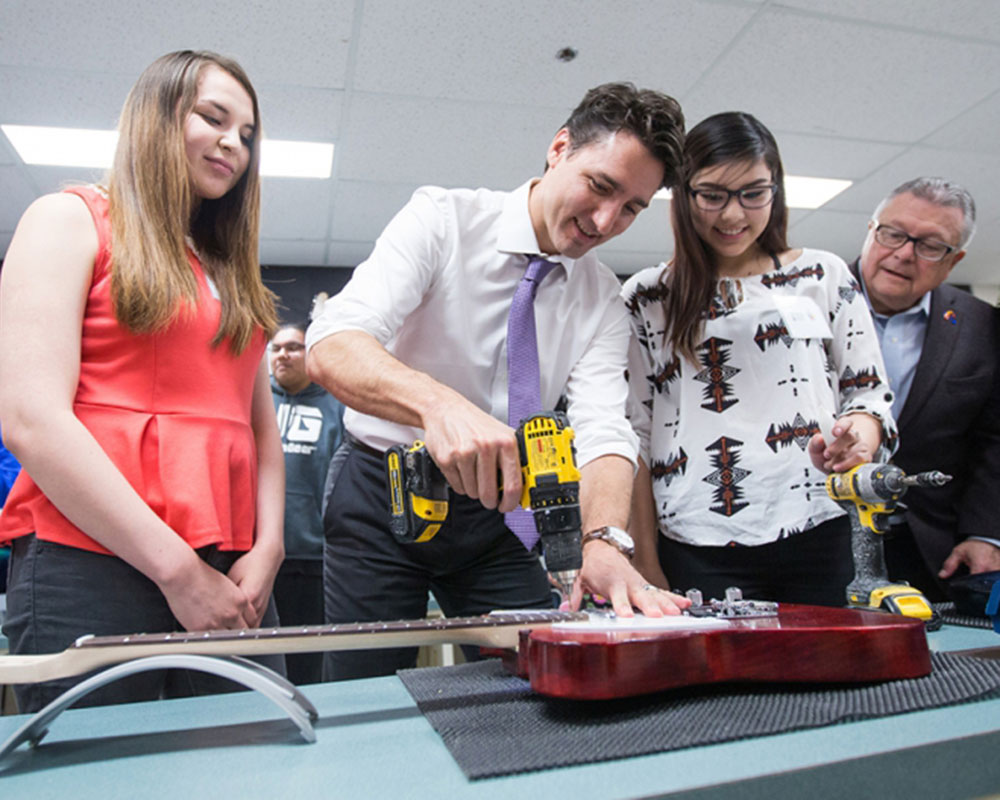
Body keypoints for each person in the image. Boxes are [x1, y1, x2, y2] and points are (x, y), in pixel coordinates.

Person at [306, 82, 689, 680]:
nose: (606, 221)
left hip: (499, 515)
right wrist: (438, 406)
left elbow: (603, 429)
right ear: (559, 148)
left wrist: (605, 539)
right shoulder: (442, 220)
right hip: (381, 497)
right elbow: (332, 344)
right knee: (365, 691)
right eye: (602, 186)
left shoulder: (601, 297)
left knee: (544, 674)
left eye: (633, 207)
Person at [0, 50, 285, 712]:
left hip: (234, 565)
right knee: (98, 775)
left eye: (247, 135)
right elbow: (31, 418)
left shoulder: (229, 273)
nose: (233, 144)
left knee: (251, 765)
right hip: (90, 557)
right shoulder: (70, 218)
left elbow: (259, 434)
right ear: (156, 117)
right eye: (213, 118)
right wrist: (178, 570)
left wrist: (269, 548)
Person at [624, 112, 896, 606]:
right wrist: (644, 560)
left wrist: (860, 433)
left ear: (776, 189)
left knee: (829, 677)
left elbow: (869, 393)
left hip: (819, 525)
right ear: (683, 195)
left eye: (753, 192)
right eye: (712, 195)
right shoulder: (648, 297)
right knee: (718, 683)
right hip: (693, 540)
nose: (732, 215)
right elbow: (634, 435)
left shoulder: (823, 275)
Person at [850, 178, 1000, 600]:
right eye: (893, 233)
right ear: (870, 229)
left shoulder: (982, 326)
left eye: (930, 245)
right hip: (815, 541)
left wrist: (987, 533)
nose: (904, 254)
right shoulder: (804, 300)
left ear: (954, 262)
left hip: (930, 550)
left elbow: (994, 441)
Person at [269, 322, 345, 684]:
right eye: (276, 348)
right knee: (262, 661)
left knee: (308, 666)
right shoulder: (257, 404)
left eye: (293, 347)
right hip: (260, 560)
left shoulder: (338, 407)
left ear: (309, 354)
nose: (283, 354)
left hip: (316, 558)